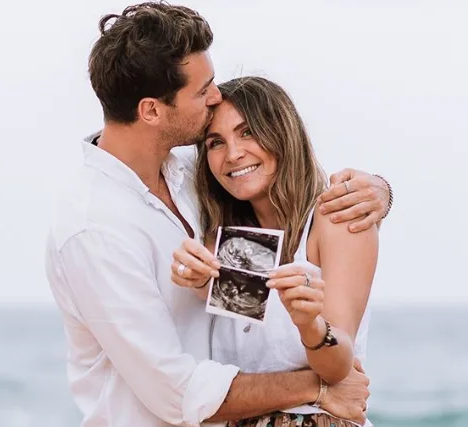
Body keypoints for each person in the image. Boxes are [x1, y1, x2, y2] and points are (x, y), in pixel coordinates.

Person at [45, 3, 393, 426]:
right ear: (152, 110)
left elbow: (271, 305)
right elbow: (176, 393)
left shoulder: (198, 178)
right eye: (203, 89)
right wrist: (319, 387)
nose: (215, 96)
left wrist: (378, 191)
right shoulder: (93, 227)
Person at [171, 76, 379, 427]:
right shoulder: (239, 245)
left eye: (248, 132)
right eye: (215, 142)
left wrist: (310, 325)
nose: (233, 154)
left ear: (281, 131)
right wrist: (192, 279)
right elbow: (255, 358)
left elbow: (338, 366)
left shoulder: (335, 219)